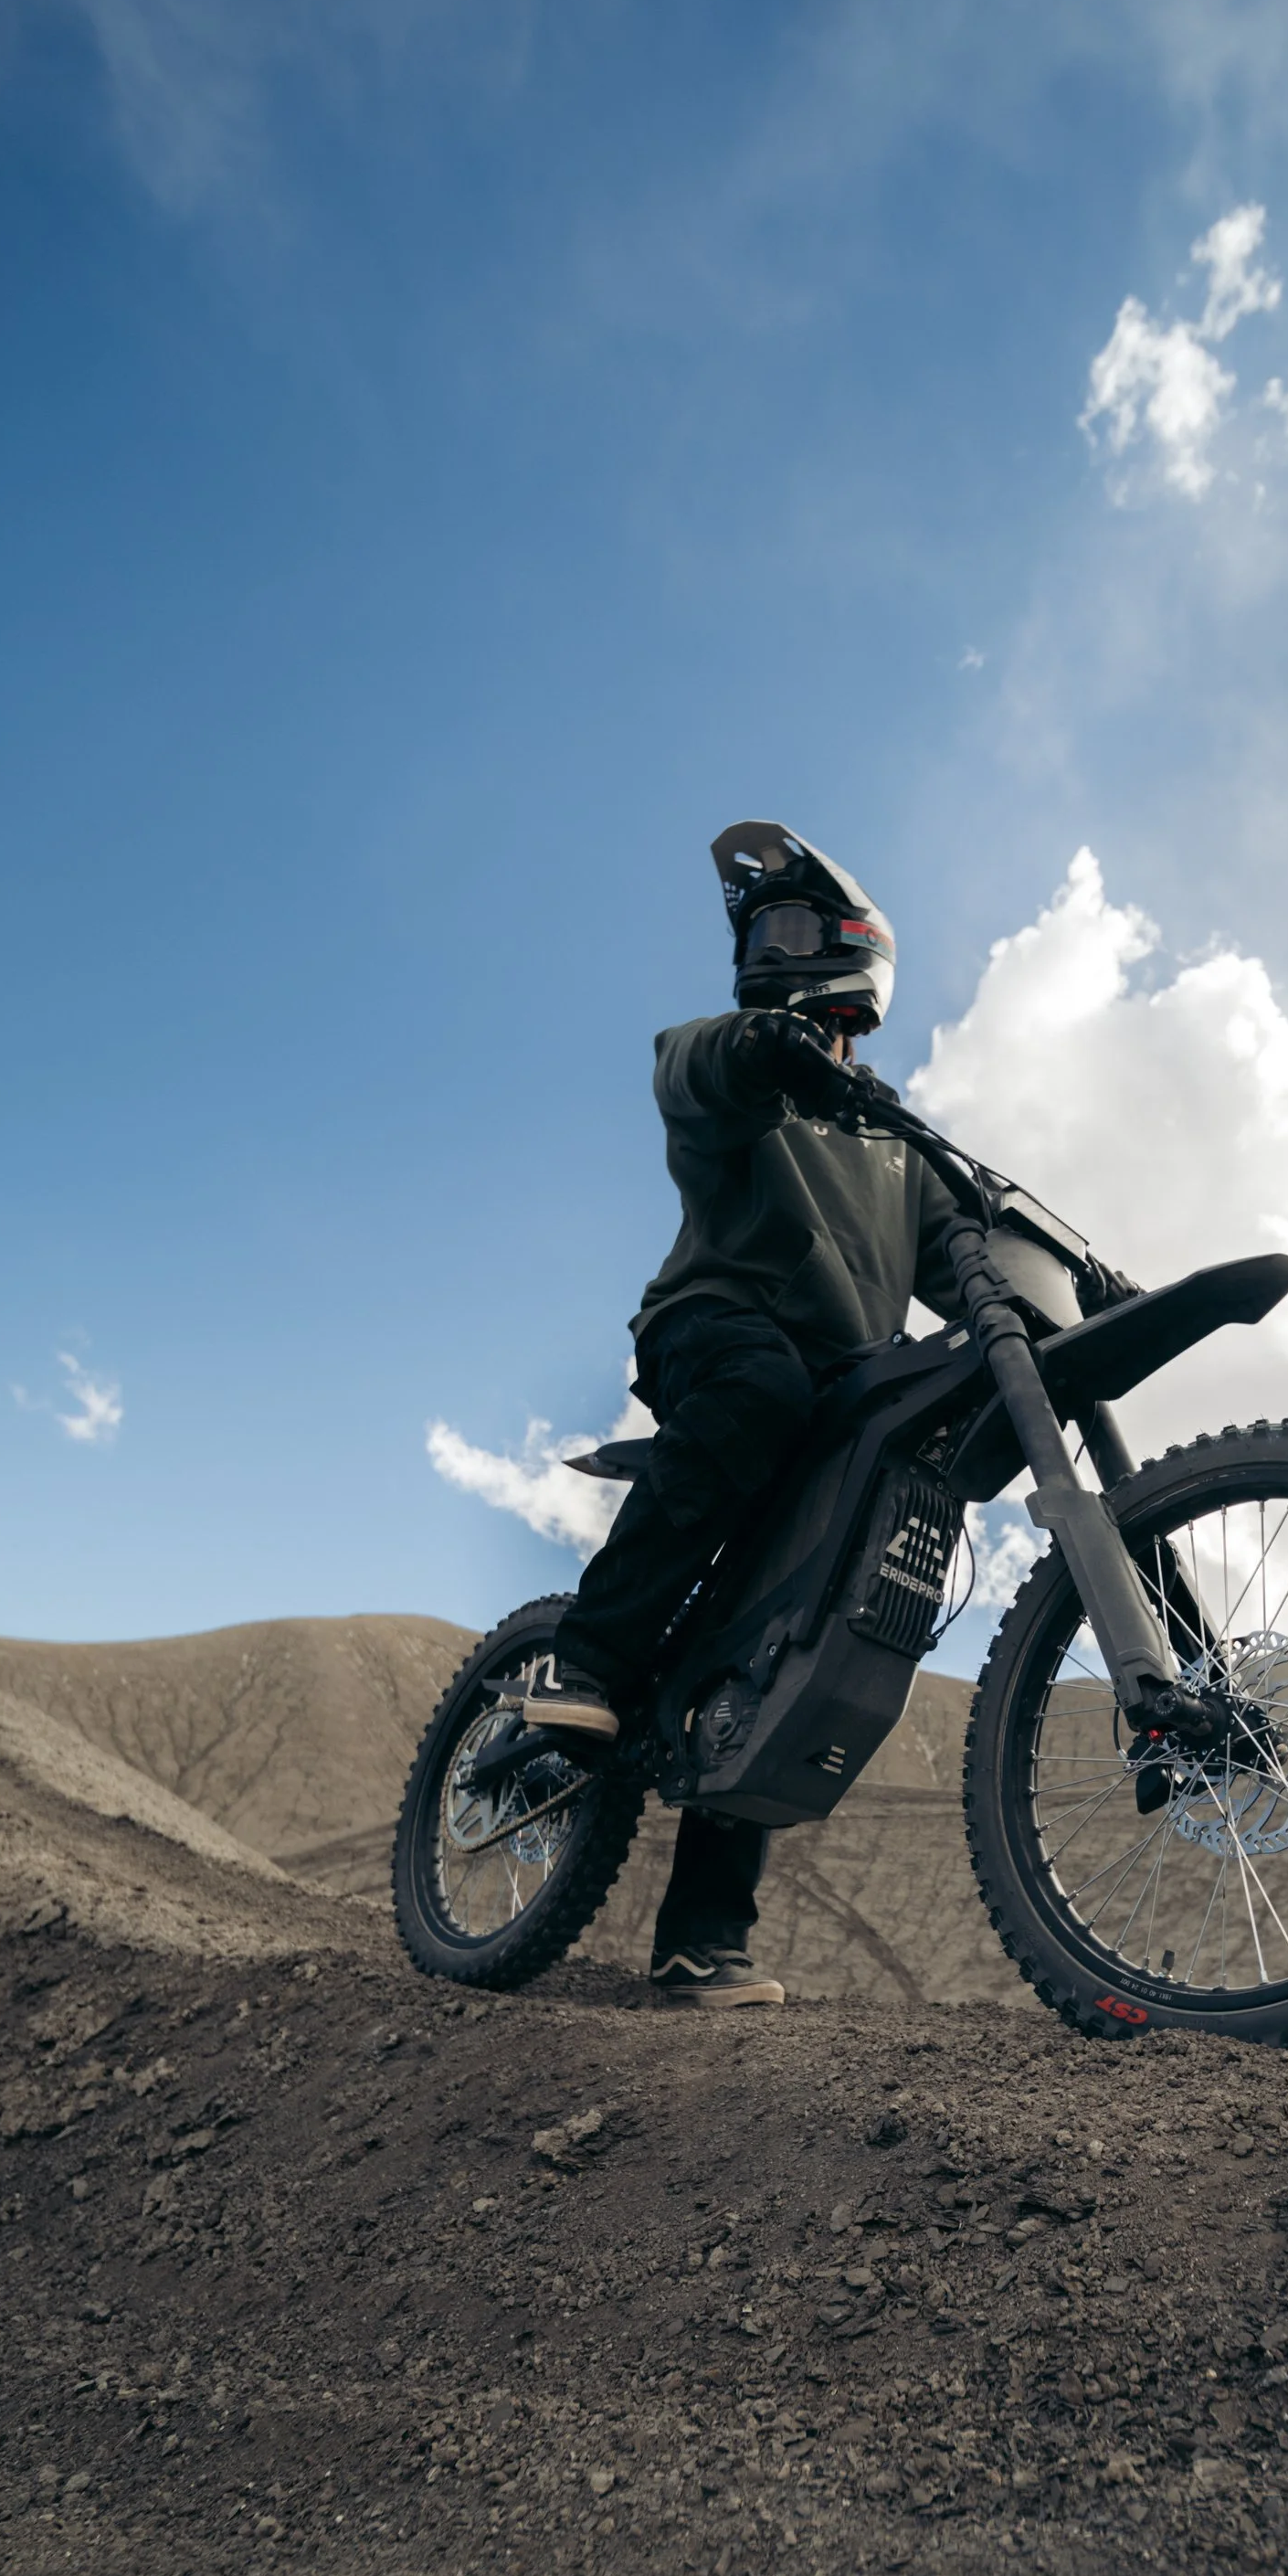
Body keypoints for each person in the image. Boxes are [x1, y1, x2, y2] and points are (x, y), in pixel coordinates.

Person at [523, 822, 966, 2010]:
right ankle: (586, 1655)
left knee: (793, 1622)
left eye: (792, 927)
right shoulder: (740, 1069)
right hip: (715, 1327)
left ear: (858, 959)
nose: (767, 951)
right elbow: (694, 1067)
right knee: (759, 1387)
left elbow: (968, 1260)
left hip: (838, 1385)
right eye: (758, 932)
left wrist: (1070, 1288)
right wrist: (766, 1046)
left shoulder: (897, 1149)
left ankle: (698, 1944)